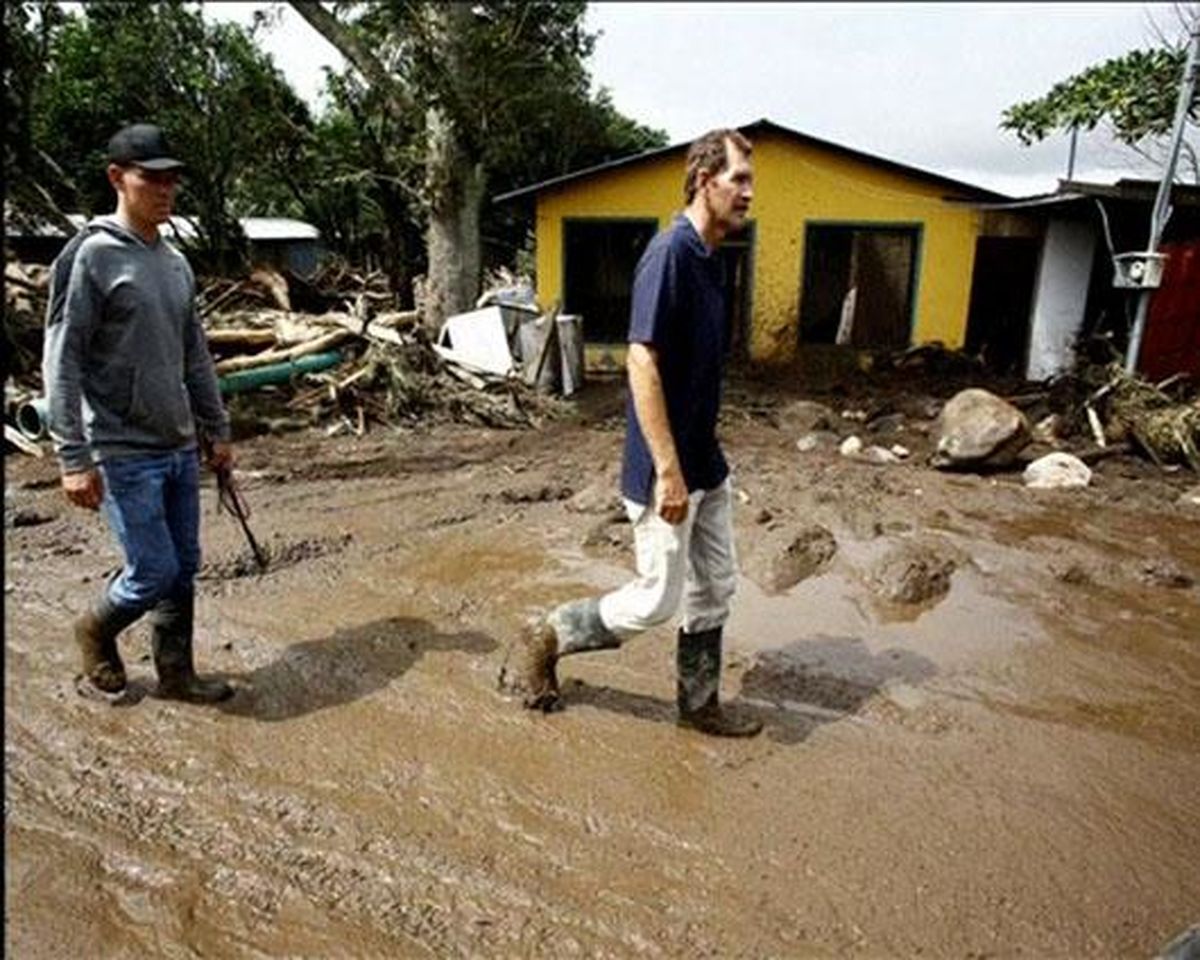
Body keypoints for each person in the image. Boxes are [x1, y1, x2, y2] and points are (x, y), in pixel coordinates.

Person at [502, 128, 762, 737]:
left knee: (716, 586)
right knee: (655, 600)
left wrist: (701, 465)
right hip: (666, 468)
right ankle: (550, 633)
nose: (749, 193)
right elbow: (640, 362)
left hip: (707, 462)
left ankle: (699, 707)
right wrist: (668, 471)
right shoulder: (669, 255)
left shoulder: (711, 259)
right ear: (705, 181)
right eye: (740, 179)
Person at [44, 122, 234, 703]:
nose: (165, 190)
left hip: (176, 443)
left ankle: (176, 674)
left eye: (171, 180)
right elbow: (63, 356)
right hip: (122, 448)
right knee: (152, 572)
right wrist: (73, 457)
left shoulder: (175, 262)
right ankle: (95, 629)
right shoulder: (91, 257)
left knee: (183, 568)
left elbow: (194, 355)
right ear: (116, 178)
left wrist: (216, 429)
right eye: (151, 178)